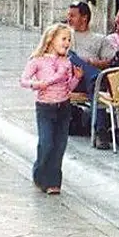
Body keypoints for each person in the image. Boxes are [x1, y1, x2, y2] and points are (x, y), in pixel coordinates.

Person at [20, 23, 82, 195]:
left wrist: (76, 79)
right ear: (51, 39)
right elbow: (23, 80)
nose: (67, 43)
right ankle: (39, 174)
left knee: (60, 145)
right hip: (45, 108)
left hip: (63, 106)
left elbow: (68, 86)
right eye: (63, 39)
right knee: (46, 143)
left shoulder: (67, 63)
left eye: (69, 40)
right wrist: (38, 84)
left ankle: (54, 181)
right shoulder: (37, 61)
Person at [65, 1, 119, 150]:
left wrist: (93, 62)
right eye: (68, 15)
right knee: (71, 56)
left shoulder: (100, 39)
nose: (68, 19)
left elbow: (110, 61)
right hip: (69, 78)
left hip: (89, 81)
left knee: (95, 83)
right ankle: (94, 77)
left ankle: (101, 131)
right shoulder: (64, 36)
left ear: (84, 17)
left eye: (72, 16)